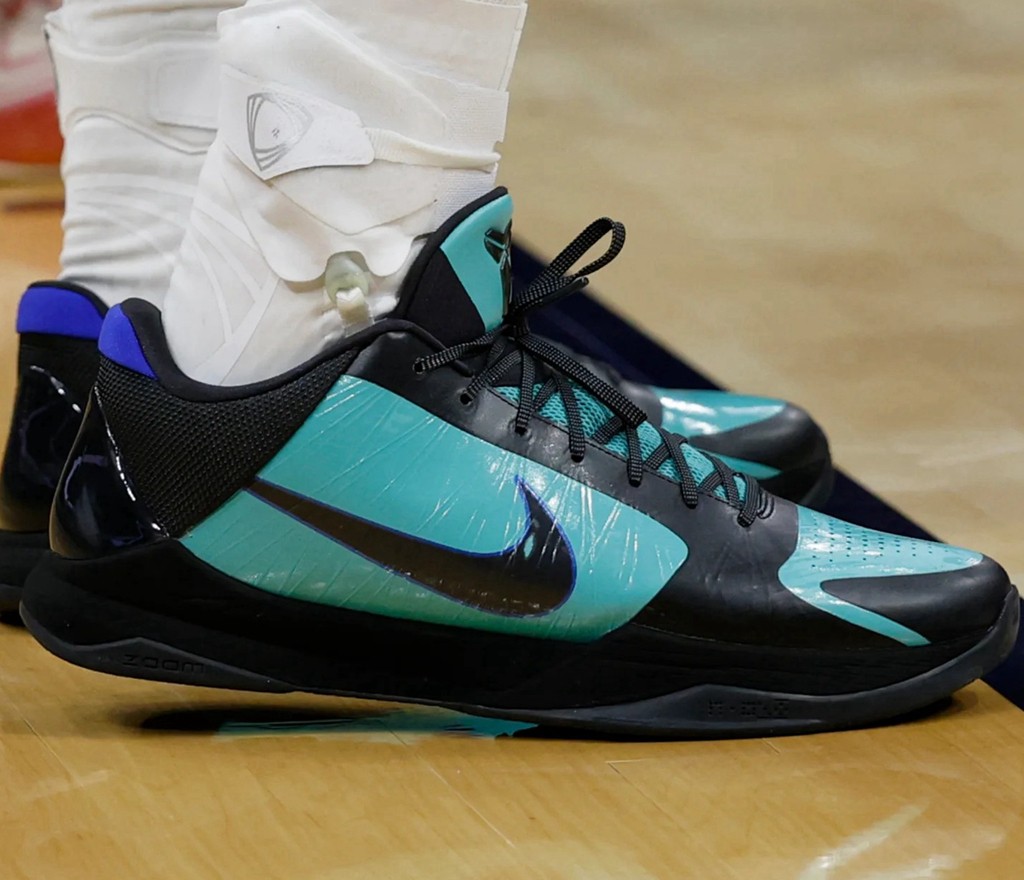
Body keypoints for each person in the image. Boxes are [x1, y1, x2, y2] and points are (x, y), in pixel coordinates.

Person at [6, 0, 1018, 736]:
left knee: (187, 230)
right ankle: (301, 388)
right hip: (293, 441)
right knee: (341, 262)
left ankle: (189, 371)